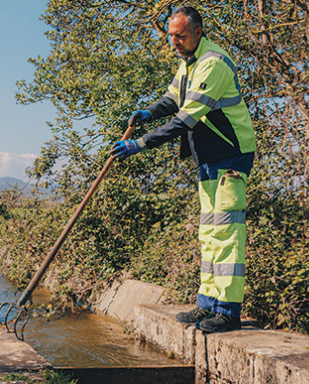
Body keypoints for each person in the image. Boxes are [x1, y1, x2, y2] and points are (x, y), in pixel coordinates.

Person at [109, 5, 257, 333]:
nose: (174, 42)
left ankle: (228, 312)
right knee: (209, 231)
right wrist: (148, 111)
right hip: (209, 157)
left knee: (227, 233)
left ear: (198, 33)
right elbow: (172, 99)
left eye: (181, 36)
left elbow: (185, 118)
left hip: (230, 156)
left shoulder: (213, 64)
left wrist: (140, 144)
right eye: (172, 36)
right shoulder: (188, 61)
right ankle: (207, 305)